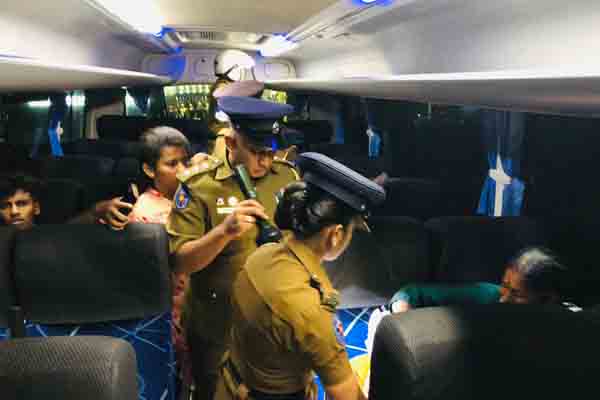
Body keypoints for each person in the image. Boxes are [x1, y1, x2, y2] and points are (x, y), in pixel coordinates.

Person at [214, 152, 385, 400]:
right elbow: (346, 395)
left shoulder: (261, 256)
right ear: (335, 235)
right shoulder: (312, 310)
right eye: (351, 231)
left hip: (229, 386)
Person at [166, 96, 300, 400]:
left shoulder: (287, 177)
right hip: (219, 328)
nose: (265, 162)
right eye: (256, 152)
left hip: (275, 323)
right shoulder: (199, 186)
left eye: (270, 152)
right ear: (230, 142)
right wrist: (223, 232)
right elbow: (181, 262)